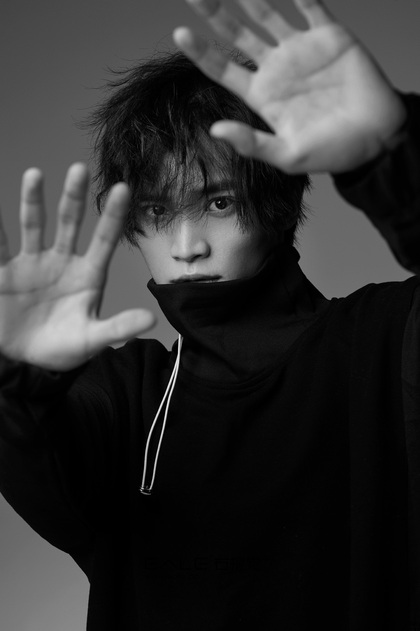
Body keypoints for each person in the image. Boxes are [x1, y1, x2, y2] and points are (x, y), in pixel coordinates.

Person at [0, 0, 419, 628]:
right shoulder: (123, 396)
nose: (186, 245)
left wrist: (393, 159)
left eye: (219, 202)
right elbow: (50, 480)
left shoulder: (387, 338)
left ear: (278, 202)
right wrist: (19, 387)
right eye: (158, 212)